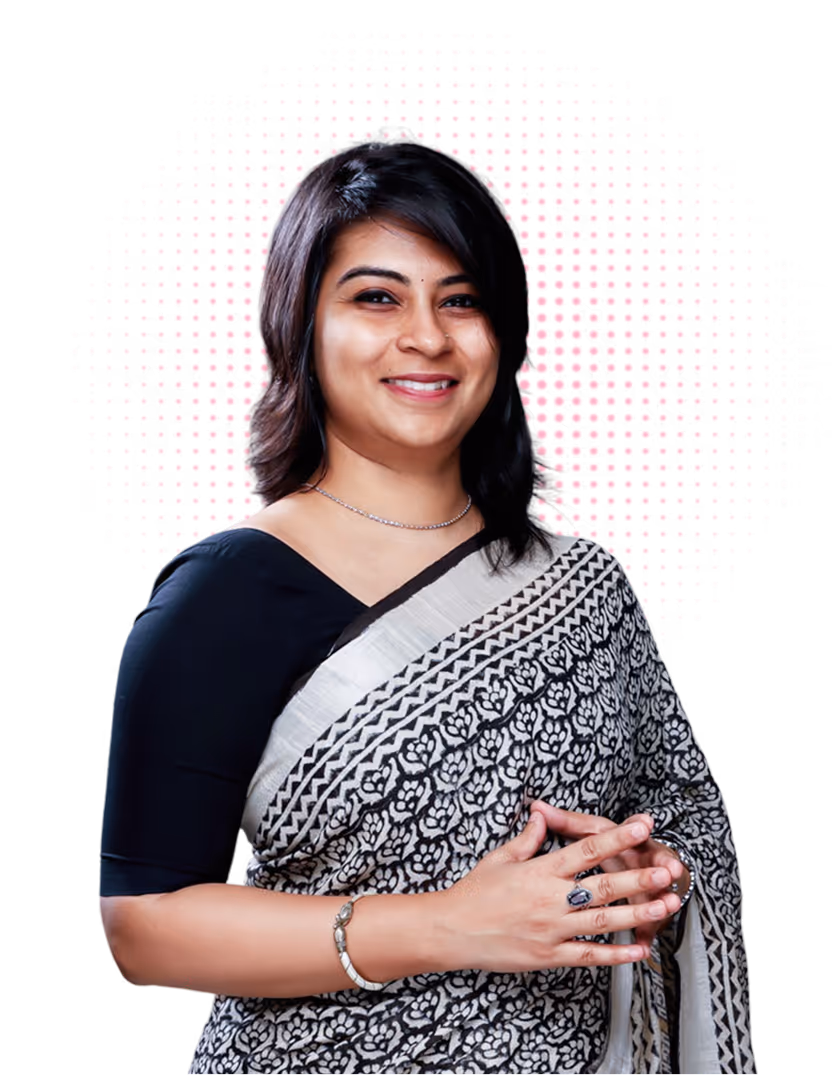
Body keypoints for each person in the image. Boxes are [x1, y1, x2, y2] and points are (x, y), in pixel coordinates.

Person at [98, 129, 757, 1074]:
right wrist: (447, 926)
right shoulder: (223, 595)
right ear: (301, 325)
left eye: (462, 301)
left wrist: (651, 877)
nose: (427, 337)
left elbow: (681, 809)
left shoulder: (586, 584)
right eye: (376, 297)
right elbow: (143, 924)